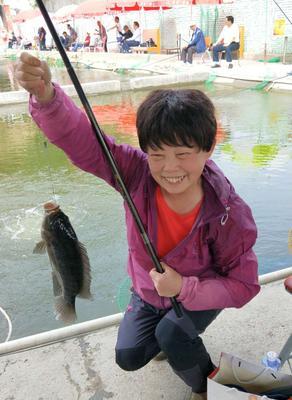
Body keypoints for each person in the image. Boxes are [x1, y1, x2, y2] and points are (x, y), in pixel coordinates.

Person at [14, 52, 260, 400]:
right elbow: (87, 142)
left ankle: (205, 384)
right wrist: (47, 98)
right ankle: (169, 338)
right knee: (128, 357)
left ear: (208, 148)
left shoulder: (230, 213)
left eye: (183, 153)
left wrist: (185, 288)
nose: (169, 168)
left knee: (175, 334)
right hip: (147, 295)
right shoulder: (134, 173)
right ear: (145, 151)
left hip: (198, 295)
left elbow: (243, 285)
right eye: (157, 154)